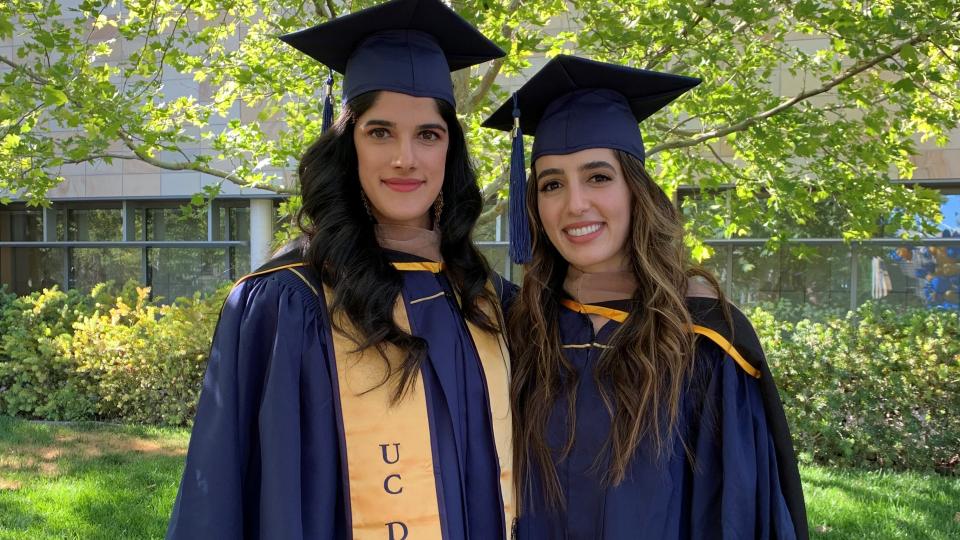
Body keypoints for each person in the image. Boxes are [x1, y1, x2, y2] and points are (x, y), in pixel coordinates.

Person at [166, 1, 516, 538]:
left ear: (450, 150)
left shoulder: (485, 298)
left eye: (428, 134)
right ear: (348, 144)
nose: (406, 158)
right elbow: (223, 492)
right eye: (380, 132)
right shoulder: (285, 302)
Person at [483, 55, 808, 539]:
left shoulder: (701, 336)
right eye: (552, 184)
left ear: (636, 191)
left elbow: (735, 513)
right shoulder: (521, 329)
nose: (575, 204)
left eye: (598, 177)